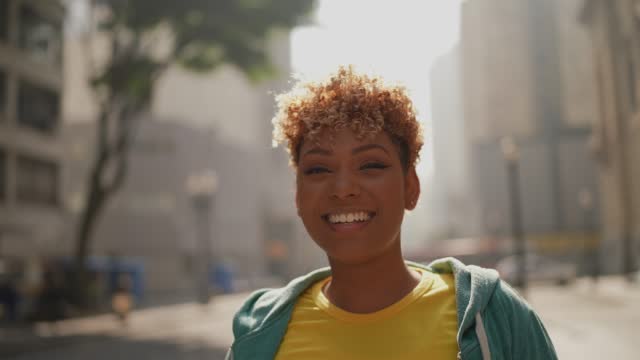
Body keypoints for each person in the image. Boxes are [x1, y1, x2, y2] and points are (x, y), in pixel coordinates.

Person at [225, 66, 557, 360]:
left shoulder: (495, 317)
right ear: (297, 195)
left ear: (410, 187)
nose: (343, 188)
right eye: (318, 169)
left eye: (370, 165)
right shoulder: (259, 332)